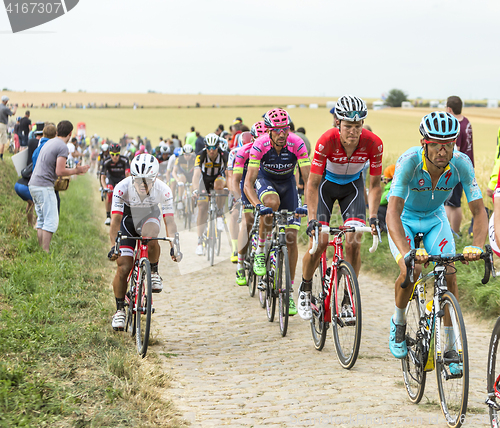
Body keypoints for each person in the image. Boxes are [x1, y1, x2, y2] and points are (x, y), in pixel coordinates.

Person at [386, 111, 487, 361]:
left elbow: (478, 210)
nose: (443, 151)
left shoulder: (461, 163)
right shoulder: (408, 162)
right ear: (425, 143)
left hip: (435, 218)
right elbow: (392, 213)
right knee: (412, 270)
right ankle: (398, 324)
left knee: (449, 273)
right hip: (405, 219)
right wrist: (407, 252)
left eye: (449, 145)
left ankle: (451, 346)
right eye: (437, 145)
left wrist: (477, 245)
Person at [299, 95, 382, 321]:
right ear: (338, 124)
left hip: (353, 189)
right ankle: (305, 288)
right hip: (325, 186)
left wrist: (373, 216)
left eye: (357, 126)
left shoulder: (374, 143)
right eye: (348, 126)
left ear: (362, 125)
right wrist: (312, 220)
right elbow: (313, 184)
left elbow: (374, 185)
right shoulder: (326, 141)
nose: (353, 132)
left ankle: (347, 297)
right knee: (320, 243)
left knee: (353, 242)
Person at [243, 108, 310, 315]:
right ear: (269, 131)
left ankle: (288, 291)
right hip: (266, 181)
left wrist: (307, 203)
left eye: (286, 129)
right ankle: (261, 251)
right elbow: (248, 182)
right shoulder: (260, 145)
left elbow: (309, 180)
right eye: (278, 130)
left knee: (290, 237)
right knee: (271, 203)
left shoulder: (296, 143)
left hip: (288, 184)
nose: (282, 134)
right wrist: (257, 205)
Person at [107, 154, 181, 331]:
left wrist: (174, 247)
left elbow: (169, 222)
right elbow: (115, 221)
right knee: (123, 267)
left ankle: (153, 271)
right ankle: (119, 311)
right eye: (138, 179)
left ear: (155, 178)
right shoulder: (121, 188)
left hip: (149, 218)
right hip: (127, 222)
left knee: (150, 234)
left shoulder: (163, 190)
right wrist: (113, 246)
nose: (142, 184)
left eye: (147, 180)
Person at [28, 120, 90, 253]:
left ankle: (41, 250)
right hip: (44, 185)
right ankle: (45, 251)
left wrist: (72, 168)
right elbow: (60, 171)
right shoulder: (62, 146)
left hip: (33, 184)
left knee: (41, 219)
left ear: (57, 132)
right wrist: (76, 171)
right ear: (70, 133)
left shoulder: (50, 142)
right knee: (51, 219)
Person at [233, 121, 267, 285]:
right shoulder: (244, 151)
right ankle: (240, 264)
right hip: (247, 187)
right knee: (247, 222)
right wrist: (238, 198)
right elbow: (236, 180)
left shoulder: (273, 150)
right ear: (252, 139)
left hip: (265, 186)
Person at [192, 133, 229, 255]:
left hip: (218, 177)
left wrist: (229, 187)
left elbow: (229, 173)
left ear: (218, 147)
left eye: (214, 148)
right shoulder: (201, 155)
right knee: (202, 207)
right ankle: (199, 241)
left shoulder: (224, 155)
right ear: (205, 147)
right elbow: (196, 175)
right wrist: (195, 190)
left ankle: (219, 214)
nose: (211, 151)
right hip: (205, 181)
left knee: (220, 186)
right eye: (209, 147)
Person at [444, 96, 474, 234]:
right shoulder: (466, 122)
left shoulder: (454, 125)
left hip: (456, 168)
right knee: (452, 202)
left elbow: (455, 150)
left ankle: (454, 233)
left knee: (453, 203)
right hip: (467, 165)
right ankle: (450, 231)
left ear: (449, 109)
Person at [14, 123, 44, 226]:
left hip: (20, 182)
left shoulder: (31, 142)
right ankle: (36, 227)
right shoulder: (41, 145)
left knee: (31, 203)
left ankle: (30, 225)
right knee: (40, 207)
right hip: (28, 184)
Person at [101, 142, 131, 225]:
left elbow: (128, 174)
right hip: (111, 179)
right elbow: (102, 177)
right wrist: (104, 187)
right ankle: (108, 216)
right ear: (110, 154)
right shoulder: (106, 161)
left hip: (122, 180)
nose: (115, 157)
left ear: (119, 153)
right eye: (112, 154)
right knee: (109, 194)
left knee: (125, 196)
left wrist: (128, 185)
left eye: (117, 155)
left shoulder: (125, 160)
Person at [172, 144, 195, 209]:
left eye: (189, 155)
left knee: (193, 187)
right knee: (181, 181)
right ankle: (179, 200)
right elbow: (174, 172)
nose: (187, 156)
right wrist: (177, 181)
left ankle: (192, 206)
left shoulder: (194, 158)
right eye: (186, 155)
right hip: (183, 175)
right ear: (183, 153)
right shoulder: (179, 158)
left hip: (191, 175)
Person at [377, 164, 395, 232]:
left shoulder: (391, 186)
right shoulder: (395, 183)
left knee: (378, 208)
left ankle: (383, 227)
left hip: (394, 211)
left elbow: (381, 201)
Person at [0, 95, 17, 160]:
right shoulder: (5, 108)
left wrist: (8, 109)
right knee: (2, 141)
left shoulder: (1, 107)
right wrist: (15, 108)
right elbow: (13, 113)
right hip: (2, 125)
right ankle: (1, 156)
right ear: (6, 101)